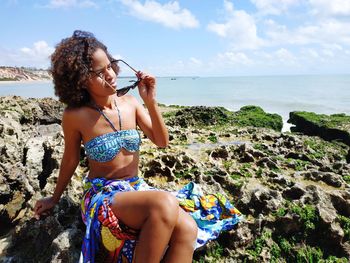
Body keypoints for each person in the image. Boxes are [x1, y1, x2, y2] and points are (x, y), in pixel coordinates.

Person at [34, 30, 242, 263]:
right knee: (164, 204)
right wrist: (54, 198)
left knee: (188, 228)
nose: (110, 75)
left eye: (111, 66)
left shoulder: (130, 103)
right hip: (103, 195)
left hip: (136, 188)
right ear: (80, 79)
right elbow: (70, 159)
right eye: (100, 73)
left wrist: (150, 102)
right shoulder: (75, 115)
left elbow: (162, 142)